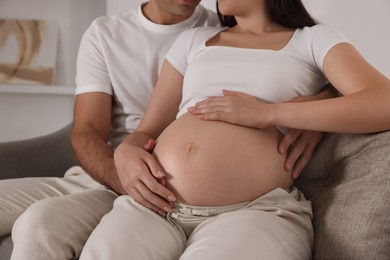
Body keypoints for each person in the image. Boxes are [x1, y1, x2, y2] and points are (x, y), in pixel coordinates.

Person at [0, 1, 325, 259]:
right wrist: (127, 174)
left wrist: (313, 111)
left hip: (163, 186)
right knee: (33, 222)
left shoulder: (221, 25)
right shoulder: (105, 33)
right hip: (115, 173)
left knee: (37, 223)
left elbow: (311, 65)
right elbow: (85, 132)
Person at [78, 0, 390, 259]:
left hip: (253, 212)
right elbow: (147, 130)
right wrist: (125, 151)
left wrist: (269, 114)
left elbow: (383, 102)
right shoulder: (194, 39)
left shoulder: (313, 39)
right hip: (155, 206)